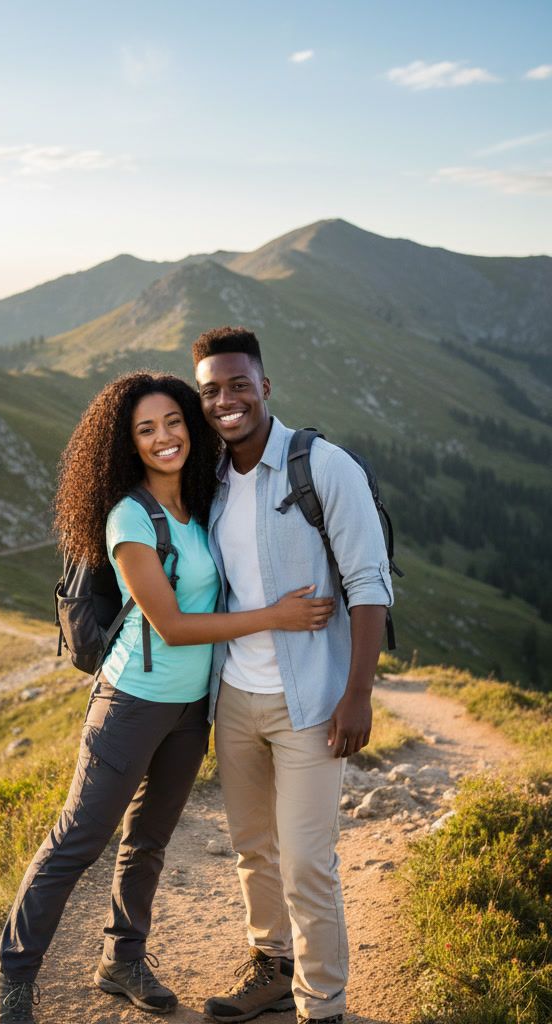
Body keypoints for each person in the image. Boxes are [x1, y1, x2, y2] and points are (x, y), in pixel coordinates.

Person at [0, 371, 336, 1024]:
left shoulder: (199, 505)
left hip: (188, 711)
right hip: (131, 701)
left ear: (190, 426)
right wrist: (275, 619)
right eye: (146, 430)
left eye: (173, 422)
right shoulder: (128, 517)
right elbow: (171, 625)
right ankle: (10, 971)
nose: (164, 437)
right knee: (77, 840)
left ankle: (122, 959)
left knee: (147, 841)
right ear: (130, 444)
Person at [192, 327, 394, 1024]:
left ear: (265, 386)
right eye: (212, 389)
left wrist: (357, 693)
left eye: (238, 384)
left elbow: (369, 581)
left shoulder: (322, 466)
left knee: (308, 862)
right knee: (255, 852)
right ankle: (273, 967)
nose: (226, 400)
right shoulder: (210, 478)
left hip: (311, 700)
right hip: (236, 698)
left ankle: (325, 1006)